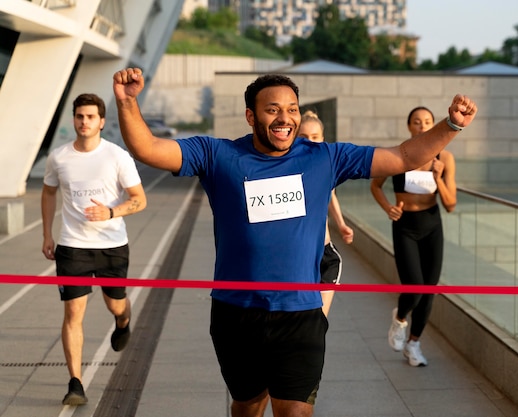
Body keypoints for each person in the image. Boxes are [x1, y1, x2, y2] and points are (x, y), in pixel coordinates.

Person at [112, 68, 476, 417]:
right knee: (247, 406)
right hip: (236, 314)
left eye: (291, 109)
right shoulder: (218, 155)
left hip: (301, 313)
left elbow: (405, 156)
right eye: (272, 110)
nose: (285, 118)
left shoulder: (326, 158)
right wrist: (128, 102)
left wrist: (453, 124)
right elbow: (148, 149)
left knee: (296, 411)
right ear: (250, 117)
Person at [41, 93, 147, 406]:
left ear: (101, 122)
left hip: (112, 245)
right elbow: (48, 193)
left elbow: (140, 199)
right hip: (73, 246)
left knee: (115, 304)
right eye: (79, 116)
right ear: (73, 119)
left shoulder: (117, 156)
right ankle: (75, 382)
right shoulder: (58, 157)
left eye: (90, 117)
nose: (84, 122)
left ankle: (123, 320)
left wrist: (111, 212)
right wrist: (47, 234)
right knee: (74, 312)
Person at [370, 106, 457, 367]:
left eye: (427, 122)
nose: (422, 126)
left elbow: (451, 204)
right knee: (414, 285)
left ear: (433, 126)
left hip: (432, 224)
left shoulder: (446, 158)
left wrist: (438, 178)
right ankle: (400, 319)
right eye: (417, 122)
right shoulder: (398, 155)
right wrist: (389, 208)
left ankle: (414, 343)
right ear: (409, 126)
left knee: (429, 290)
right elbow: (375, 185)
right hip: (405, 225)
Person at [298, 110, 354, 316]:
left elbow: (330, 194)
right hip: (296, 257)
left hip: (325, 256)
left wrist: (341, 224)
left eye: (315, 137)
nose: (310, 142)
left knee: (318, 323)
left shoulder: (325, 167)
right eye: (303, 137)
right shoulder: (284, 168)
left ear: (323, 139)